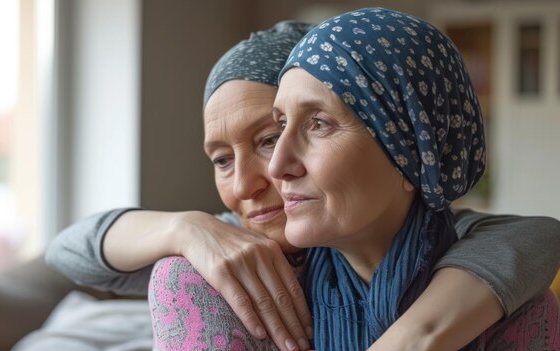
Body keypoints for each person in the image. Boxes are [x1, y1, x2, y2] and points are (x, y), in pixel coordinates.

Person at [47, 20, 560, 351]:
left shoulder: (481, 265)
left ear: (401, 137)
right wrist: (187, 229)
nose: (259, 177)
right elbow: (68, 253)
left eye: (270, 137)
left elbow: (533, 238)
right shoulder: (223, 256)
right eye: (222, 160)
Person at [263, 8, 560, 350]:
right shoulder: (255, 292)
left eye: (319, 123)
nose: (277, 165)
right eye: (281, 125)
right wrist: (187, 229)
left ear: (414, 155)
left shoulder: (519, 314)